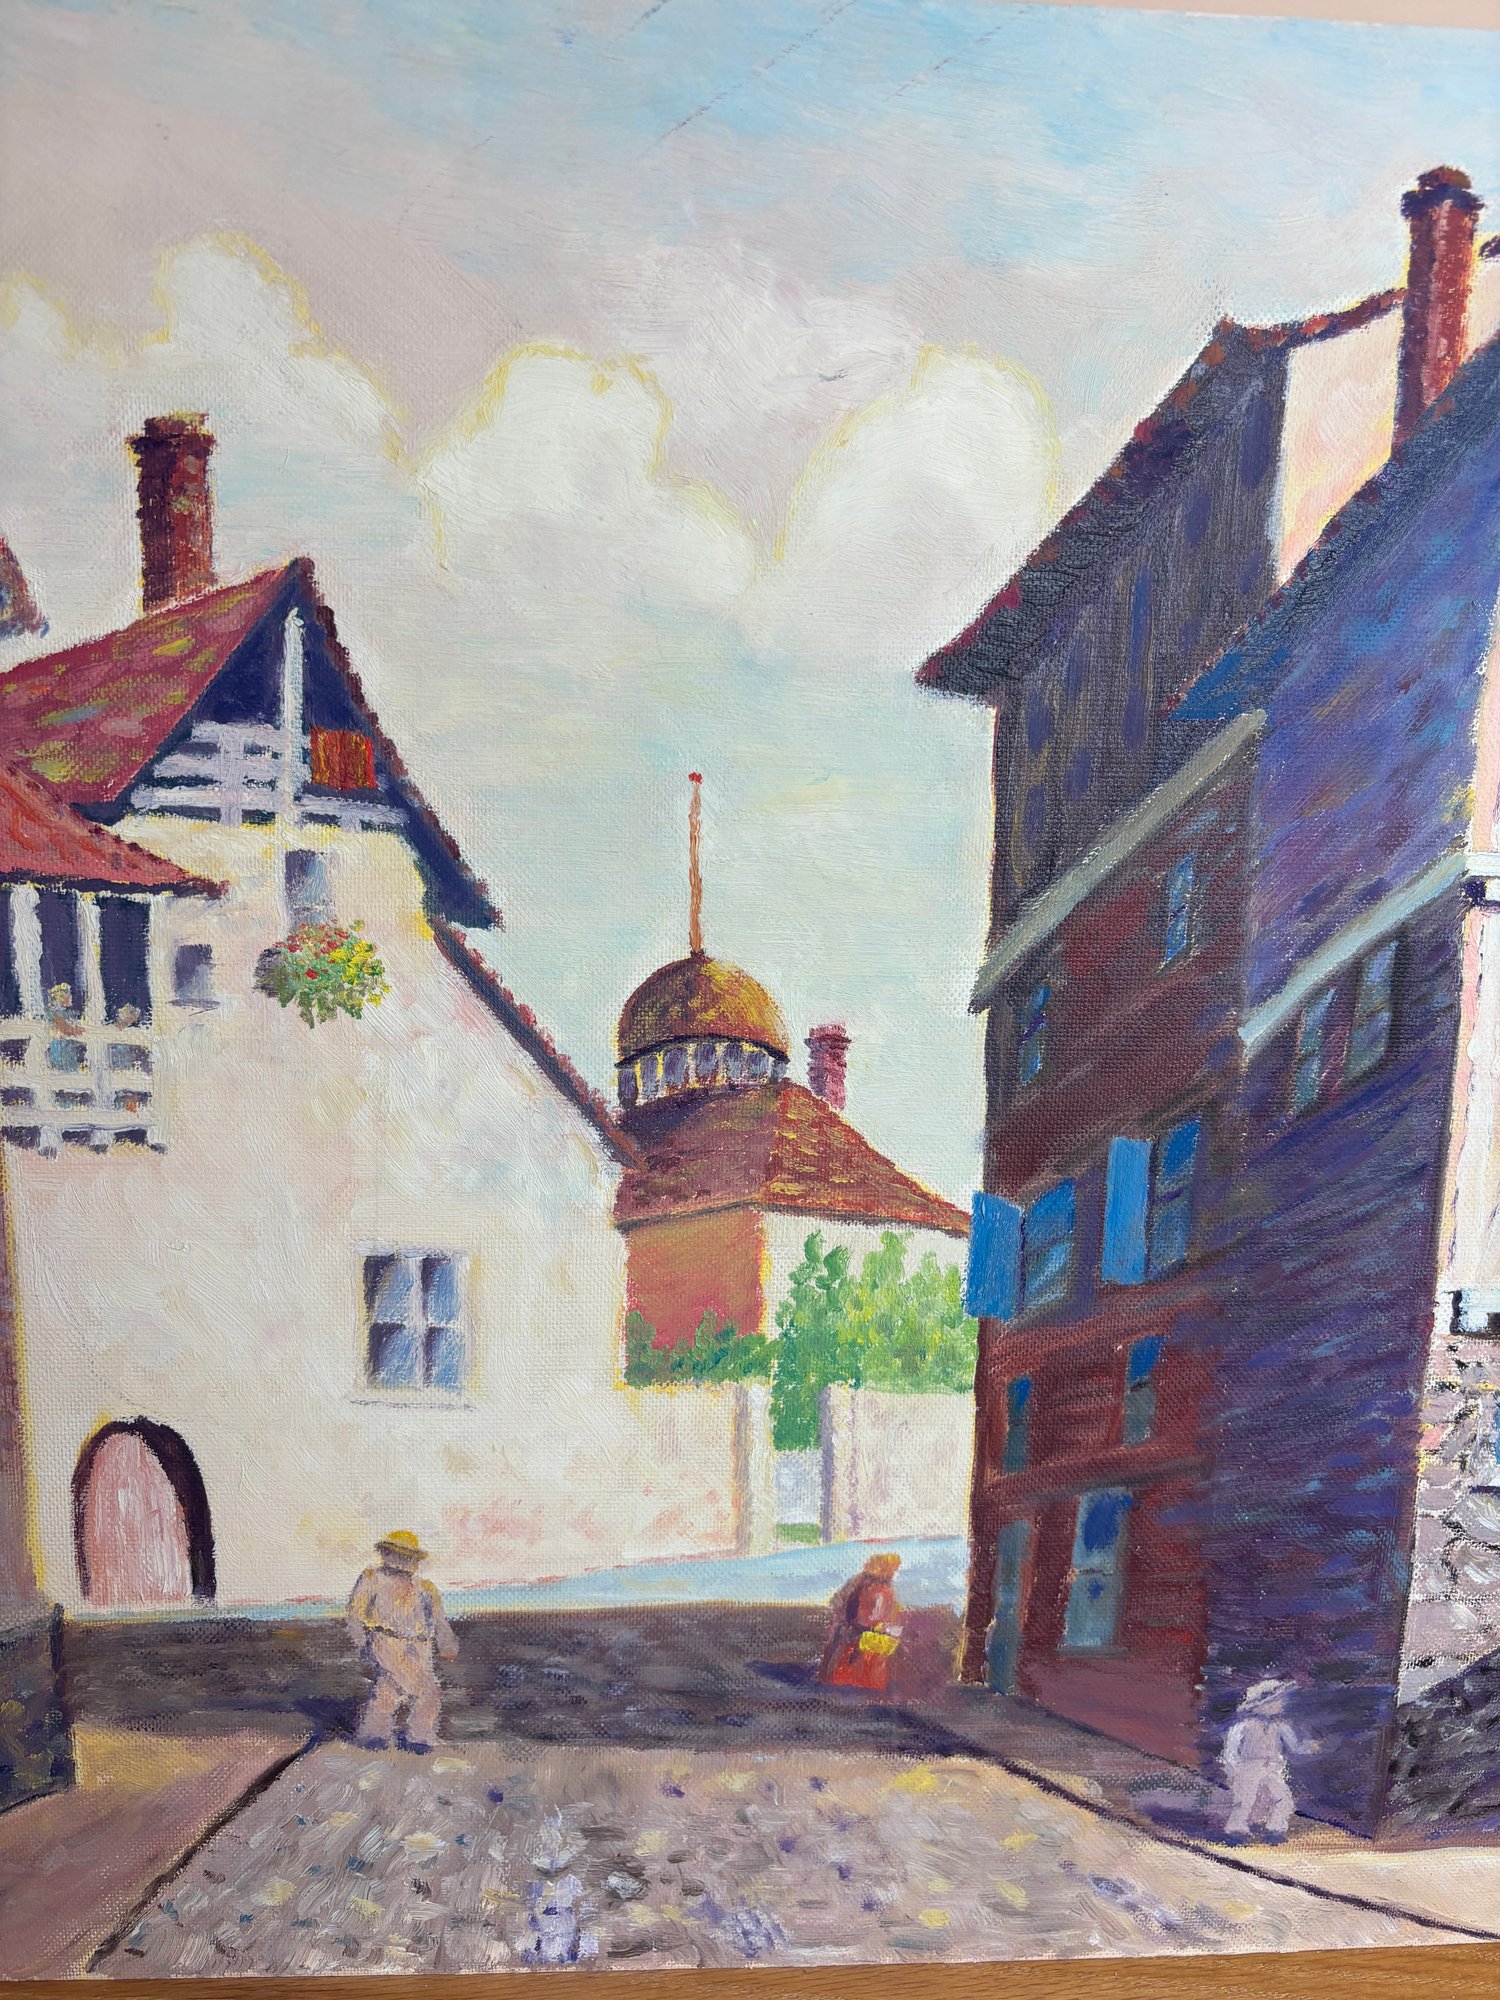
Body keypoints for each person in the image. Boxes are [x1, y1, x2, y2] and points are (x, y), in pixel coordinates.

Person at [345, 1530, 458, 1752]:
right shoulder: (372, 1578)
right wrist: (364, 1645)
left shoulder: (425, 1587)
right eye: (396, 1553)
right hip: (386, 1641)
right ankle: (418, 1739)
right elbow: (354, 1616)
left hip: (420, 1644)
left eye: (407, 1556)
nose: (401, 1560)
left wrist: (447, 1644)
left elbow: (438, 1619)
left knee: (390, 1690)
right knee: (426, 1689)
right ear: (385, 1554)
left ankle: (377, 1736)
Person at [1221, 1678, 1319, 1843]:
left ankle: (1275, 1829)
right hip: (1249, 1767)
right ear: (1260, 1705)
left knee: (1284, 1798)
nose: (1280, 1704)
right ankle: (1235, 1830)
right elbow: (1231, 1750)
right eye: (1275, 1701)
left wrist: (1309, 1747)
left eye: (1279, 1700)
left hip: (1272, 1768)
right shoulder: (1244, 1725)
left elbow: (1295, 1746)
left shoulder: (1280, 1726)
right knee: (1244, 1799)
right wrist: (1234, 1769)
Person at [818, 1552, 903, 1694]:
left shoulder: (884, 1588)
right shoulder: (863, 1584)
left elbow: (887, 1616)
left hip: (867, 1640)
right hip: (853, 1636)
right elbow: (838, 1604)